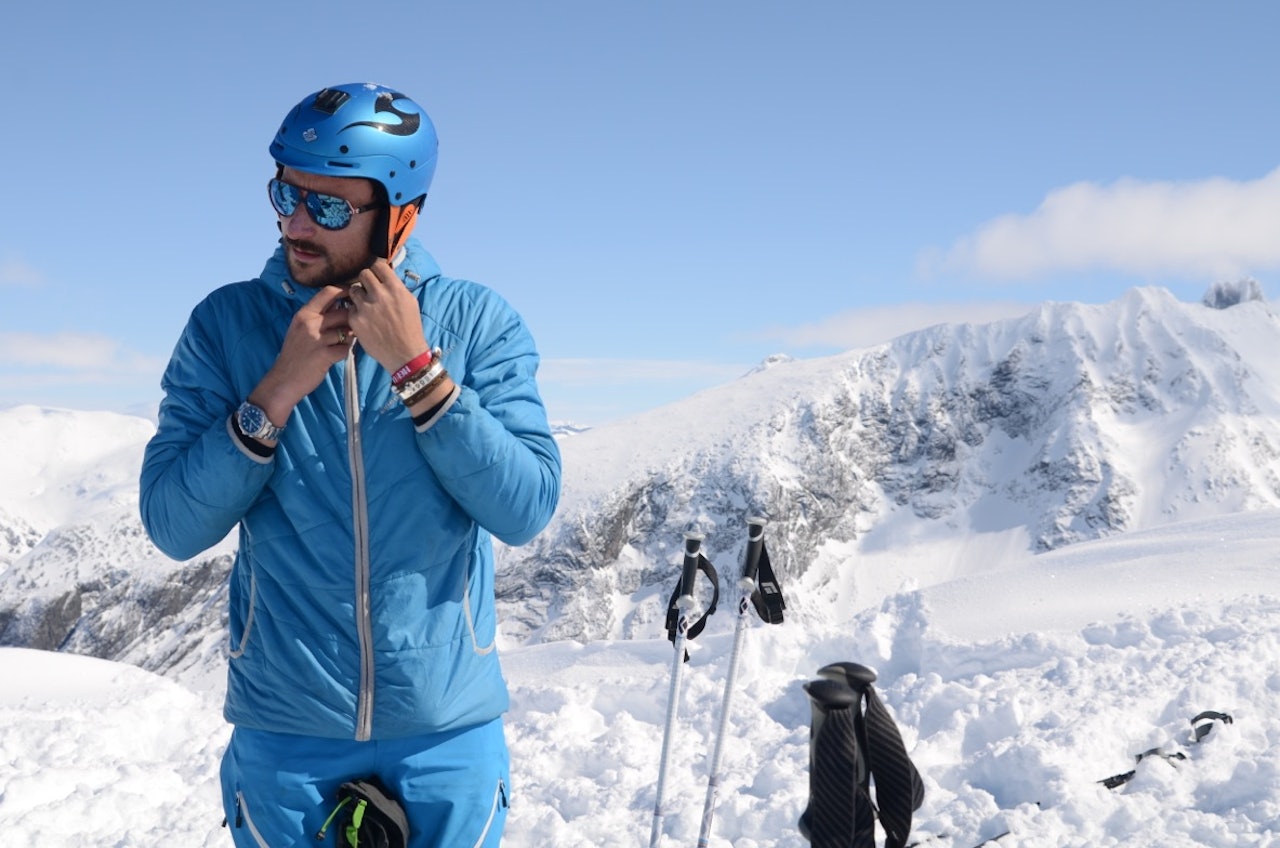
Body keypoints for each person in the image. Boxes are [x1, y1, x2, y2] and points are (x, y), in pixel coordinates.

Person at [139, 82, 562, 847]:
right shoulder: (226, 325)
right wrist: (275, 391)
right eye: (285, 193)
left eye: (329, 207)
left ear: (401, 215)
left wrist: (420, 373)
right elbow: (172, 524)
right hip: (286, 736)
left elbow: (525, 505)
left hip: (445, 735)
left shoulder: (476, 322)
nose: (295, 224)